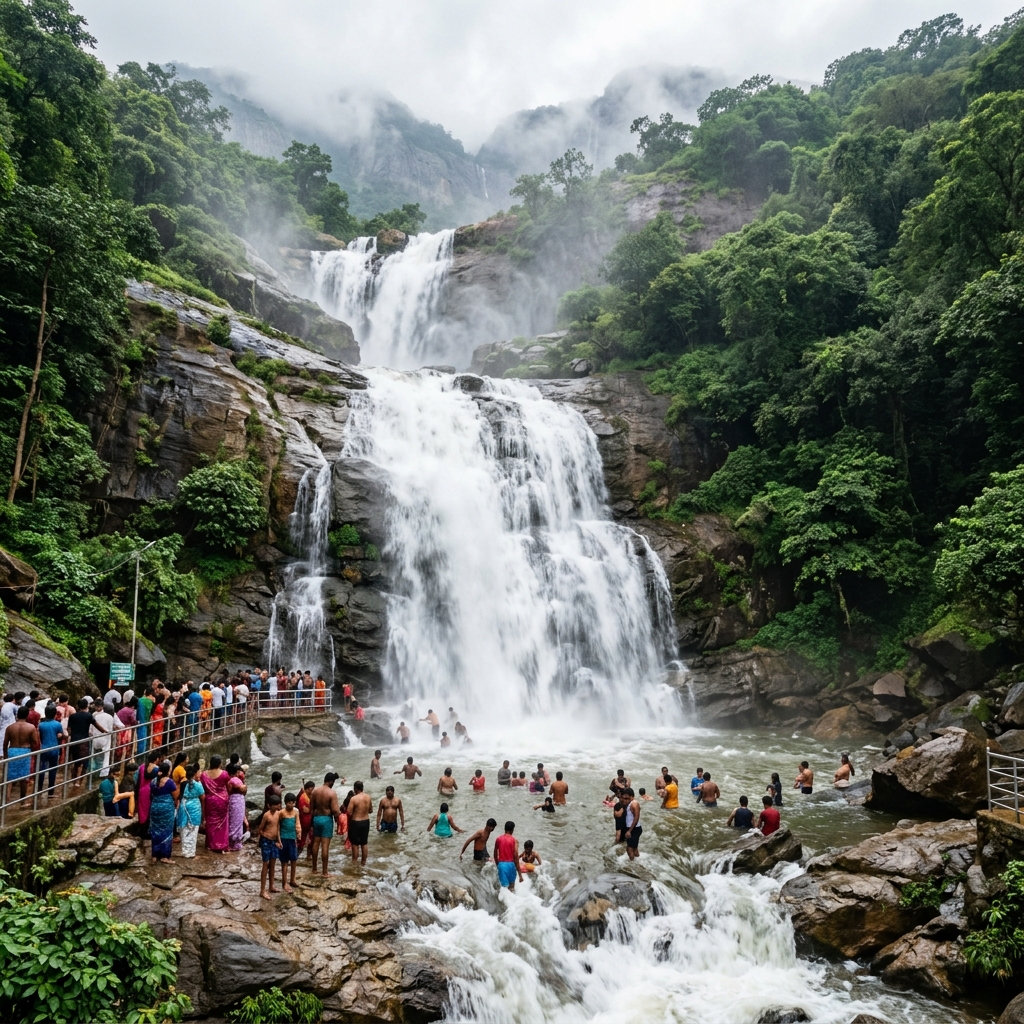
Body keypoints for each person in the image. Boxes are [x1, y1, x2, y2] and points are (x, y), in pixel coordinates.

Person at [310, 773, 343, 876]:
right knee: (325, 845)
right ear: (331, 782)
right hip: (326, 820)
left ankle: (314, 869)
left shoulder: (315, 792)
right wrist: (339, 819)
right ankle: (325, 872)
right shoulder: (331, 793)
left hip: (316, 818)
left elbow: (311, 809)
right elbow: (335, 810)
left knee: (315, 843)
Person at [4, 706, 38, 804]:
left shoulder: (10, 727)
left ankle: (6, 800)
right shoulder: (31, 727)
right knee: (23, 778)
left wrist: (6, 755)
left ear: (17, 715)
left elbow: (5, 743)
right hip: (24, 751)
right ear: (27, 715)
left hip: (12, 751)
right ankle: (22, 801)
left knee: (9, 777)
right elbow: (35, 742)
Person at [68, 698, 104, 787]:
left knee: (76, 762)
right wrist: (105, 731)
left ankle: (74, 780)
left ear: (78, 706)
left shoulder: (72, 716)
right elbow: (97, 726)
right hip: (84, 741)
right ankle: (79, 782)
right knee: (85, 763)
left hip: (74, 741)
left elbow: (69, 730)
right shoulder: (88, 716)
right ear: (87, 706)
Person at [149, 761, 179, 863]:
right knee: (167, 832)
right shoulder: (170, 782)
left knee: (155, 831)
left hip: (155, 807)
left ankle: (154, 855)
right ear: (168, 771)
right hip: (166, 808)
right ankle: (165, 856)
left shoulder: (153, 781)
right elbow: (175, 796)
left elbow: (151, 794)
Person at [200, 756, 230, 853]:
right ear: (220, 764)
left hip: (210, 800)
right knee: (222, 823)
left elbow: (203, 787)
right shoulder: (225, 774)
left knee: (210, 821)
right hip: (222, 800)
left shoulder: (204, 775)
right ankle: (222, 844)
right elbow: (228, 786)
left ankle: (210, 844)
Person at [257, 795, 283, 898]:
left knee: (273, 864)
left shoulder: (278, 814)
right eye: (275, 805)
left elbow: (278, 828)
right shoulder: (266, 815)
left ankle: (271, 886)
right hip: (266, 841)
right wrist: (266, 836)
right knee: (265, 864)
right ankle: (262, 890)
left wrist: (279, 841)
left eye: (278, 804)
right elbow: (260, 830)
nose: (278, 806)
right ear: (269, 806)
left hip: (274, 841)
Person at [177, 765, 205, 858]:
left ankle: (185, 851)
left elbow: (180, 796)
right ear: (194, 774)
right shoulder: (198, 785)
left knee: (184, 828)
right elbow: (203, 797)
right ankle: (191, 852)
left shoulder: (183, 784)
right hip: (194, 807)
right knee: (193, 830)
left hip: (184, 806)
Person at [37, 705, 64, 798]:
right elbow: (60, 735)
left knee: (42, 768)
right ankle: (51, 791)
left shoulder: (41, 725)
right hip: (54, 748)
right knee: (53, 769)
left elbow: (39, 737)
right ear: (55, 714)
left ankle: (39, 788)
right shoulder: (57, 724)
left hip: (43, 748)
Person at [278, 793, 301, 891]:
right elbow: (278, 827)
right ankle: (285, 883)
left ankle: (292, 879)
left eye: (293, 803)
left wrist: (299, 833)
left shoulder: (295, 812)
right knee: (284, 862)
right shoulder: (281, 813)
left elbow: (298, 823)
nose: (291, 805)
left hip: (292, 839)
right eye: (289, 803)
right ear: (285, 803)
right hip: (284, 839)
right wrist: (278, 840)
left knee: (294, 860)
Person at [347, 780, 373, 866]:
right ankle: (363, 863)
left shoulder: (353, 798)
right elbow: (371, 810)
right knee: (364, 843)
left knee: (355, 844)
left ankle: (354, 862)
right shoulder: (368, 797)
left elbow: (349, 812)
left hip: (356, 822)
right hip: (366, 821)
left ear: (355, 789)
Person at [493, 821, 523, 891]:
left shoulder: (498, 839)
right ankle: (513, 901)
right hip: (511, 865)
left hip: (502, 865)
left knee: (504, 888)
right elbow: (516, 856)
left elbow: (495, 854)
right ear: (512, 830)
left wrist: (498, 864)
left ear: (504, 829)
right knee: (511, 887)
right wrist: (520, 875)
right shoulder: (514, 840)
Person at [227, 764, 248, 851]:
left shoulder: (230, 780)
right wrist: (245, 786)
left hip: (235, 800)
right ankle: (234, 842)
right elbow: (243, 789)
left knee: (234, 820)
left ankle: (233, 842)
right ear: (236, 772)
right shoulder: (234, 780)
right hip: (237, 801)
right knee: (236, 821)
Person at [297, 779, 315, 863]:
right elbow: (305, 810)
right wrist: (313, 809)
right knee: (302, 840)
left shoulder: (310, 796)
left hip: (310, 821)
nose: (312, 791)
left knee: (311, 839)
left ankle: (308, 855)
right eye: (311, 789)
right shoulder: (303, 797)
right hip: (304, 821)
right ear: (307, 789)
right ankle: (295, 856)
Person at [623, 788, 642, 861]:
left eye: (626, 796)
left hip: (634, 829)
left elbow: (636, 818)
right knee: (634, 847)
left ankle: (632, 863)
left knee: (629, 848)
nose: (624, 798)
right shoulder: (631, 803)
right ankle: (637, 861)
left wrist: (629, 831)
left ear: (631, 796)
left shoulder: (634, 804)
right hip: (634, 828)